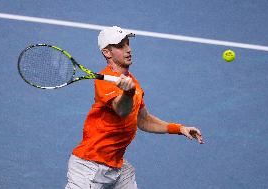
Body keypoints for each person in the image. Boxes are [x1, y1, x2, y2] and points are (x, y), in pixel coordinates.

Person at [65, 26, 204, 189]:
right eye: (120, 46)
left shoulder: (133, 83)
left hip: (116, 168)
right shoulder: (104, 81)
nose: (128, 50)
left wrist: (179, 128)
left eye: (128, 44)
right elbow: (122, 110)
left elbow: (144, 120)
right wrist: (128, 93)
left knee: (126, 172)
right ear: (107, 52)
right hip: (88, 167)